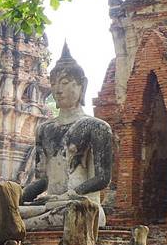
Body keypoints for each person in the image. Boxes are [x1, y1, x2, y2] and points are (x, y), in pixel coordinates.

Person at [19, 42, 113, 230]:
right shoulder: (44, 129)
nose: (58, 90)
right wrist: (15, 198)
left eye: (64, 83)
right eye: (53, 83)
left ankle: (16, 227)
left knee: (69, 213)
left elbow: (103, 178)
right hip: (50, 204)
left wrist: (69, 194)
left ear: (82, 86)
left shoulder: (96, 127)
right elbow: (43, 180)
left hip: (81, 205)